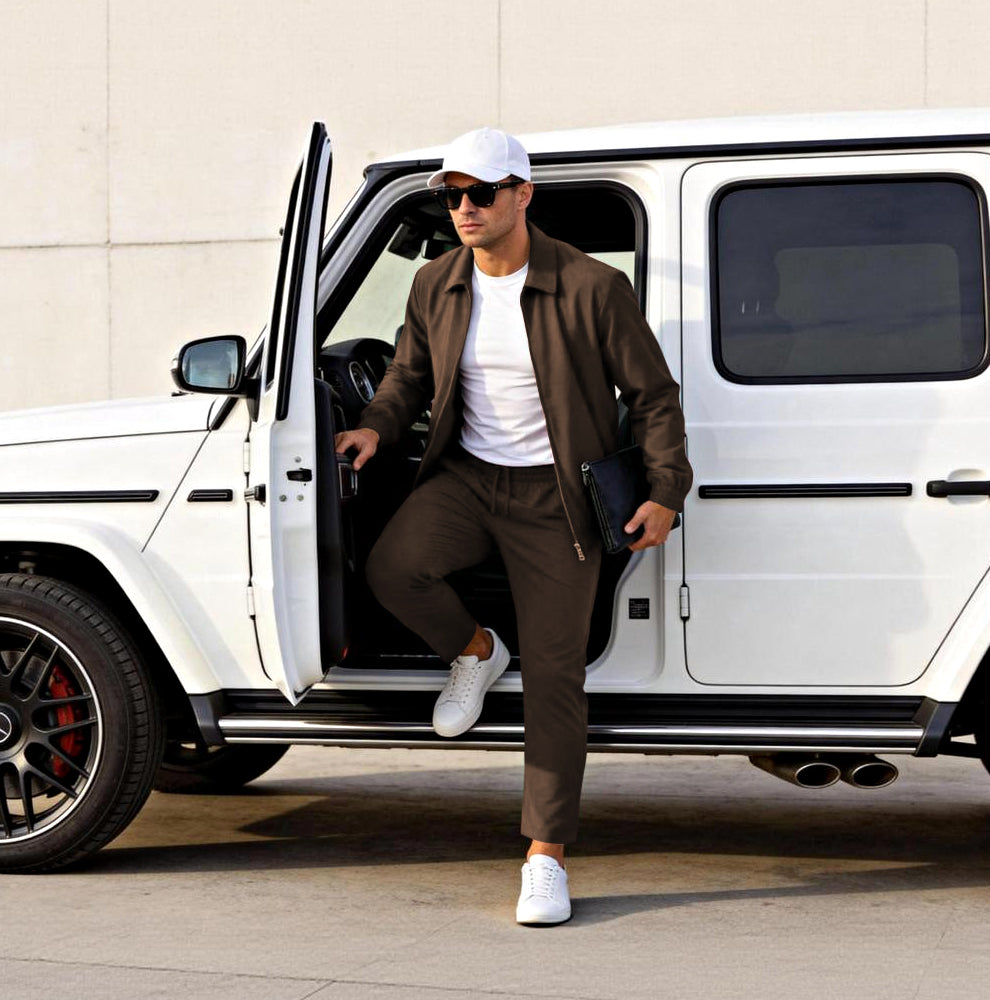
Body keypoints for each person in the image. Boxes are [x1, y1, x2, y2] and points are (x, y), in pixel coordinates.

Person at [334, 126, 692, 925]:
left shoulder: (592, 286)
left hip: (557, 498)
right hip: (467, 479)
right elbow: (407, 375)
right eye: (451, 195)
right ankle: (475, 650)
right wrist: (376, 428)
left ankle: (545, 858)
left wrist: (666, 489)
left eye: (481, 192)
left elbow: (653, 396)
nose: (464, 208)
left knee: (556, 678)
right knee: (393, 569)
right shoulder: (435, 282)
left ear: (523, 194)